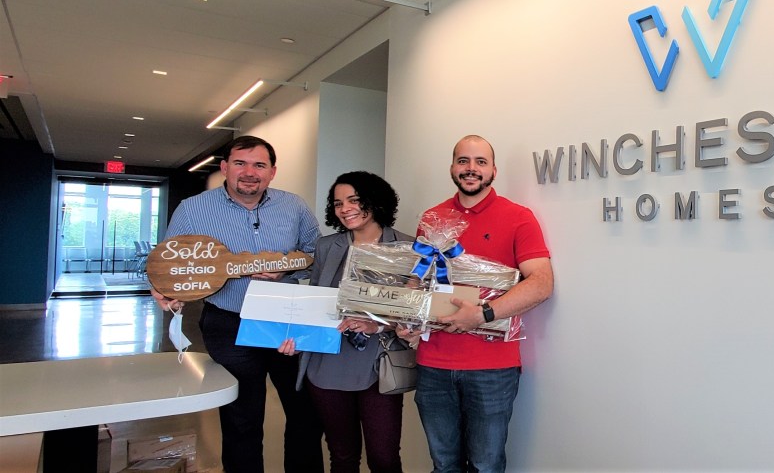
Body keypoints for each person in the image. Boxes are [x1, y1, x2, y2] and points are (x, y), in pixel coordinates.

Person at [150, 135, 324, 473]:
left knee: (305, 412)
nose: (249, 172)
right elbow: (171, 263)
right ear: (225, 168)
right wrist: (163, 288)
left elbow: (317, 253)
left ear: (272, 172)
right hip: (229, 323)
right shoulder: (193, 209)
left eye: (259, 165)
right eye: (240, 163)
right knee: (241, 418)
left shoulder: (294, 206)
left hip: (287, 320)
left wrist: (286, 268)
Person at [403, 134, 554, 473]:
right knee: (444, 464)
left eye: (480, 162)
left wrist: (482, 314)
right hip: (433, 364)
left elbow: (542, 283)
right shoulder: (432, 218)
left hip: (492, 368)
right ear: (452, 168)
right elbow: (418, 280)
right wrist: (408, 317)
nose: (471, 168)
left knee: (486, 465)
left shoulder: (518, 217)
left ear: (493, 171)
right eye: (463, 161)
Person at [278, 171, 412, 473]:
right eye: (338, 203)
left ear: (375, 201)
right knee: (342, 456)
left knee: (384, 458)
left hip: (379, 363)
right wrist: (297, 338)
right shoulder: (327, 246)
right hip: (327, 362)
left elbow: (415, 311)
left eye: (354, 200)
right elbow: (315, 301)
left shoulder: (407, 246)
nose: (345, 209)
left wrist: (378, 324)